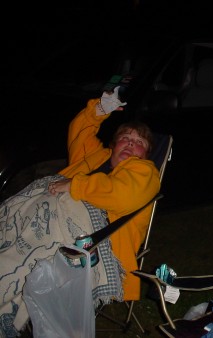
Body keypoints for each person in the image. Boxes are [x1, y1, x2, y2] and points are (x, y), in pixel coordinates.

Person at [0, 86, 160, 336]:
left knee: (23, 264)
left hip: (97, 238)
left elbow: (122, 195)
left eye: (140, 142)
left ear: (146, 154)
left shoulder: (145, 172)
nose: (131, 143)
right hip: (41, 216)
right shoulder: (96, 157)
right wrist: (100, 109)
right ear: (114, 144)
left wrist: (75, 185)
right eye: (126, 138)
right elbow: (79, 130)